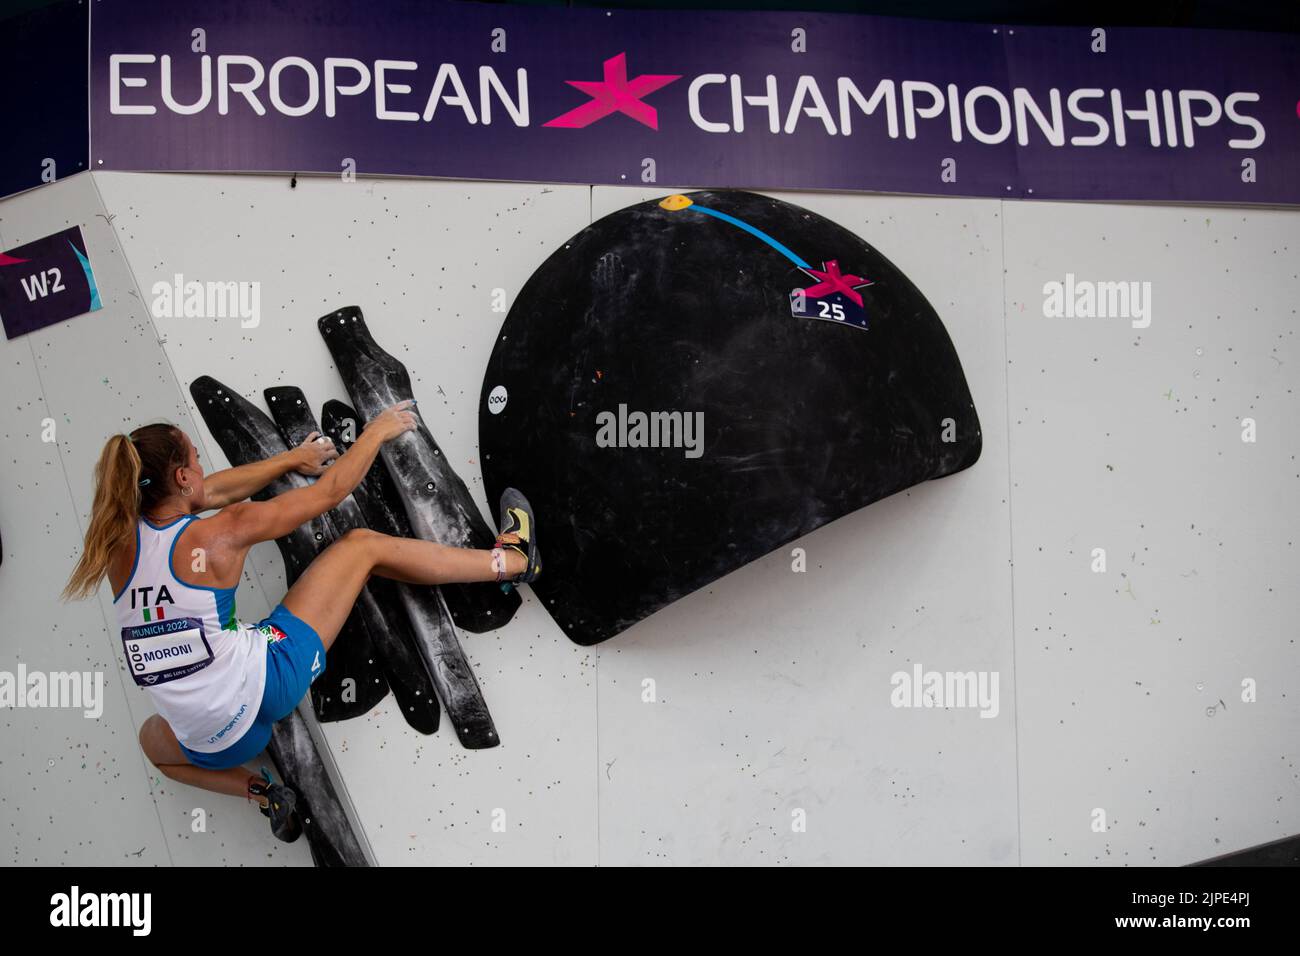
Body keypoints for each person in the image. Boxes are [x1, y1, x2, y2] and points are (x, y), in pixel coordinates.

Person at [60, 399, 541, 841]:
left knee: (153, 743)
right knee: (361, 547)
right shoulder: (223, 533)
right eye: (196, 460)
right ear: (183, 478)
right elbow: (332, 490)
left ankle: (263, 792)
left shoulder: (114, 545)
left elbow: (210, 492)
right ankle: (513, 562)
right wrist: (374, 432)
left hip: (218, 743)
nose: (205, 470)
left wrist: (292, 460)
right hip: (270, 678)